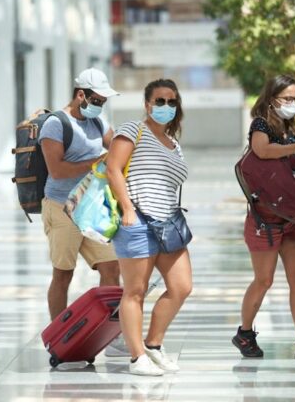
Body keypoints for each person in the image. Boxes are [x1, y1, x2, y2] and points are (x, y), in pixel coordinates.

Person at [233, 75, 295, 361]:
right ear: (272, 98)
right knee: (263, 280)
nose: (292, 103)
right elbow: (262, 150)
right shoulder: (260, 125)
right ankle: (245, 333)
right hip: (264, 220)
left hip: (293, 218)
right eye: (286, 98)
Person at [105, 79, 192, 376]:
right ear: (147, 104)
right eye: (159, 101)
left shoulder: (173, 142)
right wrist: (128, 208)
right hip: (138, 220)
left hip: (168, 223)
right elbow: (113, 168)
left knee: (181, 287)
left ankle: (153, 345)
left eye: (171, 102)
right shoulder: (132, 129)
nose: (165, 107)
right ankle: (137, 357)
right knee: (135, 291)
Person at [38, 67, 127, 356]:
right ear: (80, 95)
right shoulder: (55, 124)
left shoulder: (99, 122)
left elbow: (115, 150)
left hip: (92, 209)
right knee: (63, 273)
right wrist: (95, 162)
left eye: (104, 100)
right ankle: (59, 338)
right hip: (61, 208)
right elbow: (57, 170)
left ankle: (113, 335)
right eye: (97, 99)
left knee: (111, 267)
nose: (101, 105)